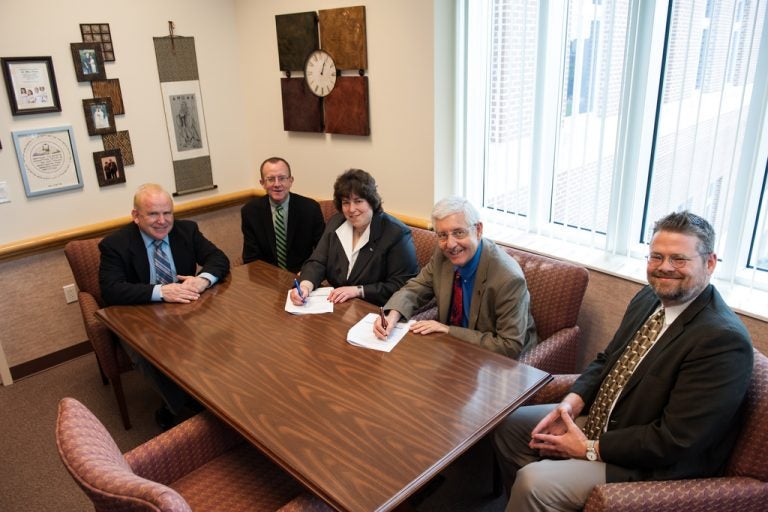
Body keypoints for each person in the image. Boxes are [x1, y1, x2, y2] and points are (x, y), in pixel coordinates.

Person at [492, 211, 753, 512]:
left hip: (651, 464)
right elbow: (606, 359)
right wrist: (571, 403)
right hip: (607, 422)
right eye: (656, 256)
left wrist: (589, 449)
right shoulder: (647, 298)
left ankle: (537, 497)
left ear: (709, 263)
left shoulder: (721, 341)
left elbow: (675, 441)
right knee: (510, 427)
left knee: (532, 482)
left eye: (679, 259)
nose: (664, 268)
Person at [99, 183, 230, 429]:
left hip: (186, 310)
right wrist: (161, 292)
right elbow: (111, 289)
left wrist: (202, 280)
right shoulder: (115, 244)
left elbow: (219, 259)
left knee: (217, 339)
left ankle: (218, 397)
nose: (162, 221)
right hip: (138, 316)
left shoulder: (186, 230)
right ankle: (186, 409)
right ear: (136, 216)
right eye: (153, 214)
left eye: (167, 213)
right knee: (148, 356)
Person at [373, 196, 538, 358]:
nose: (450, 244)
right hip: (454, 350)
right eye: (442, 235)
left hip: (498, 361)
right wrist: (392, 315)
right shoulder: (443, 255)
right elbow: (415, 289)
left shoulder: (507, 278)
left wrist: (448, 331)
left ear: (478, 230)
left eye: (458, 233)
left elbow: (508, 346)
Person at [290, 168, 418, 307]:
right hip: (338, 306)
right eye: (346, 202)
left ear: (371, 201)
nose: (351, 209)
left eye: (358, 201)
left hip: (374, 310)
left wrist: (358, 291)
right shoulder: (336, 223)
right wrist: (305, 286)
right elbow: (317, 262)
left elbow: (401, 286)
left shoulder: (396, 233)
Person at [240, 157, 325, 272]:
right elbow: (251, 258)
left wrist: (308, 275)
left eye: (282, 178)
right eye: (270, 179)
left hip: (302, 276)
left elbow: (323, 251)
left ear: (290, 180)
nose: (277, 184)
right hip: (266, 278)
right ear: (262, 183)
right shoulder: (250, 211)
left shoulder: (310, 208)